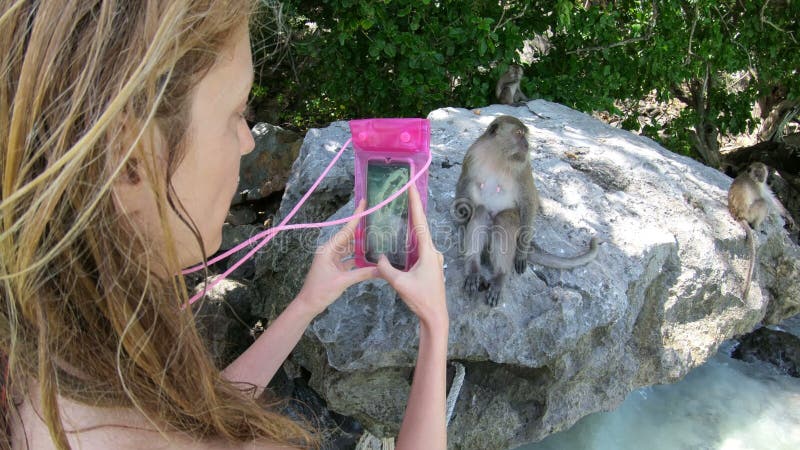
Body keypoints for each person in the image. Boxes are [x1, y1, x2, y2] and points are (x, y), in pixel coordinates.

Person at [0, 1, 449, 449]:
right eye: (236, 112)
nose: (248, 139)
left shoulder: (44, 356)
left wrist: (306, 303)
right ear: (129, 156)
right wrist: (435, 322)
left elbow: (200, 418)